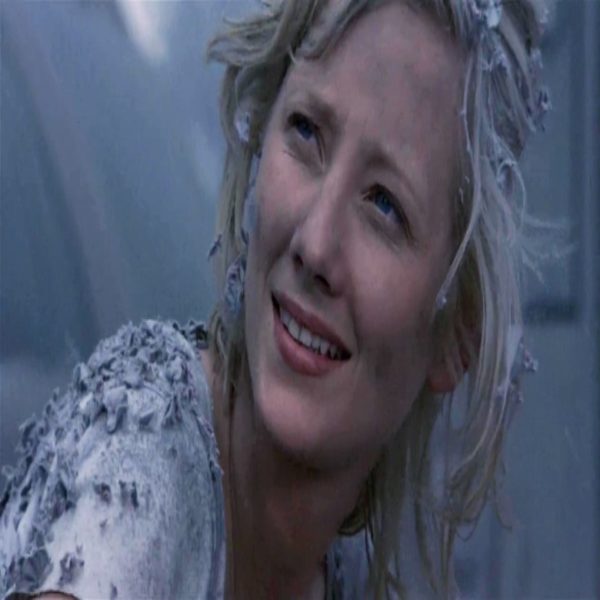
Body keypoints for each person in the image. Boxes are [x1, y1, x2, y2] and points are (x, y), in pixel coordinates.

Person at [0, 0, 548, 598]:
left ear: (456, 335)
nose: (315, 244)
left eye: (385, 205)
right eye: (306, 132)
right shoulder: (141, 474)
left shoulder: (342, 569)